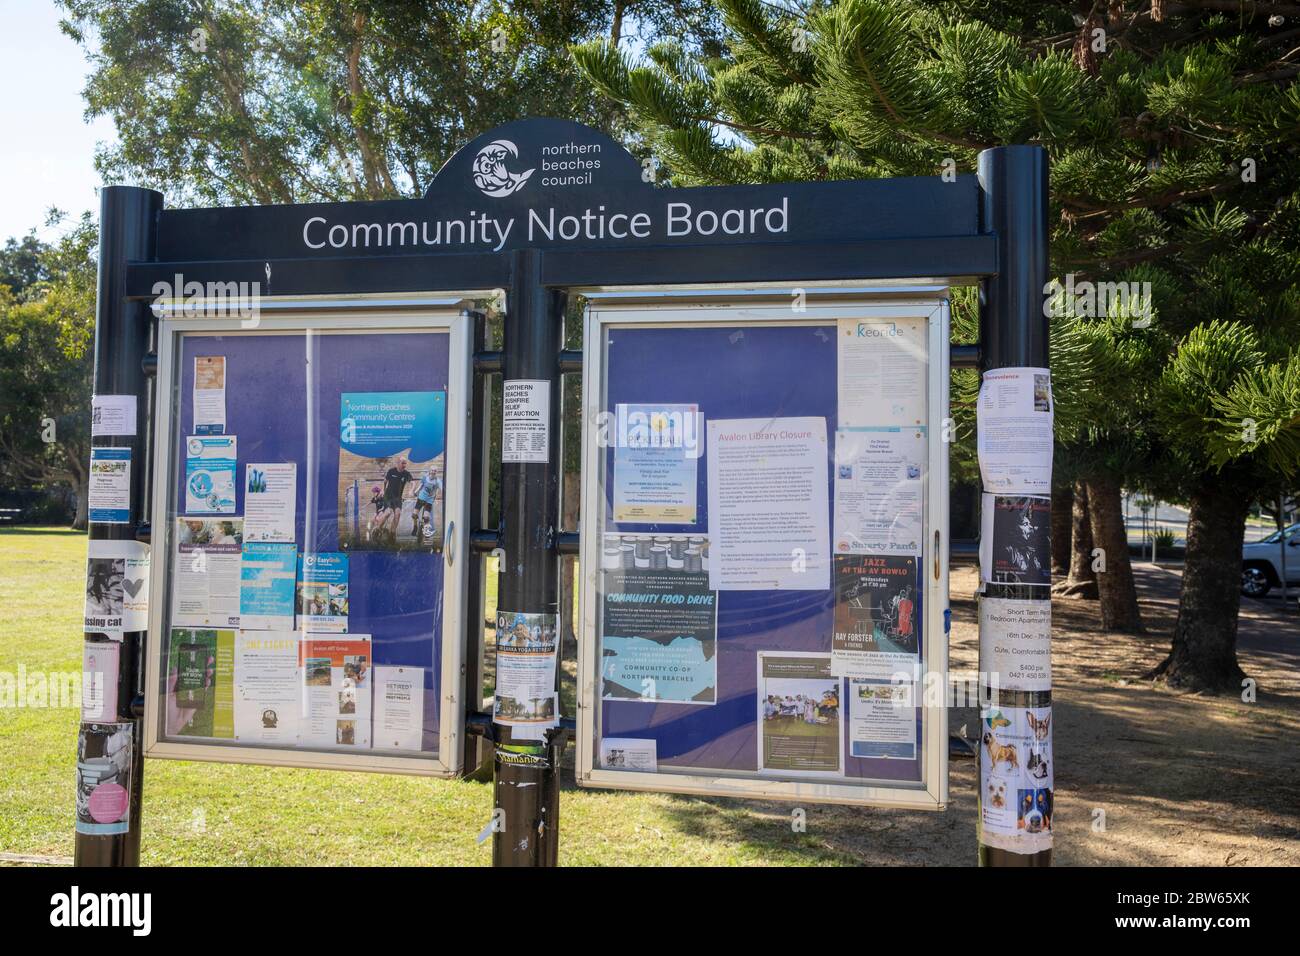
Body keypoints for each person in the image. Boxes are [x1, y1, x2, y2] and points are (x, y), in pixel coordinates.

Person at [412, 466, 443, 539]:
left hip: (429, 501)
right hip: (421, 498)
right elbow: (420, 486)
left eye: (435, 471)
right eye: (432, 470)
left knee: (426, 518)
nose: (433, 472)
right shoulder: (425, 478)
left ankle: (426, 532)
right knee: (414, 515)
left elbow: (441, 489)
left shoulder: (438, 481)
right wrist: (415, 492)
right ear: (429, 471)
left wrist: (442, 496)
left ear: (436, 472)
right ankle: (415, 526)